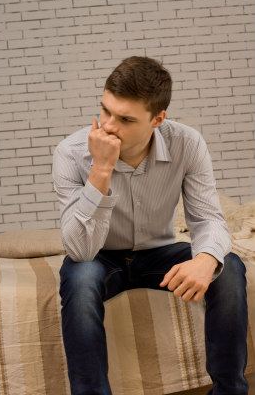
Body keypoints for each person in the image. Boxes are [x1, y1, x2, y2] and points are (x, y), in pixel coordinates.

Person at [52, 56, 248, 395]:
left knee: (227, 266)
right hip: (100, 258)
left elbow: (208, 219)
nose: (109, 125)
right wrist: (100, 170)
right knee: (80, 275)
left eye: (125, 119)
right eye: (105, 110)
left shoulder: (187, 143)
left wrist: (205, 260)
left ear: (157, 119)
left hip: (160, 254)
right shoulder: (71, 153)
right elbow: (80, 249)